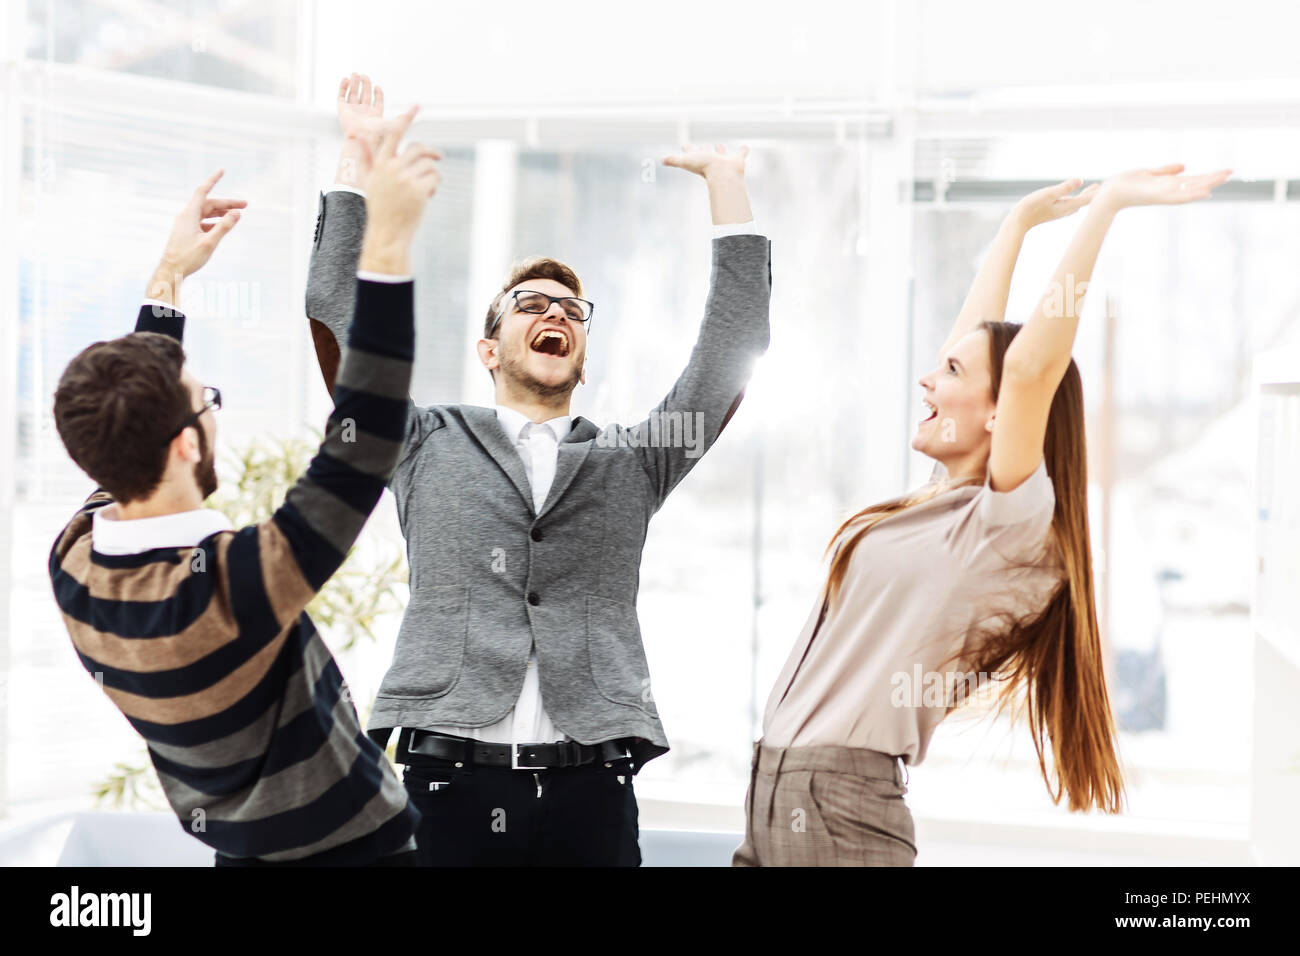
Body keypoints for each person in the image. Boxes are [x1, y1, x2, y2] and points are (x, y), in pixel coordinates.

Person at [304, 73, 772, 866]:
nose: (553, 313)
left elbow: (727, 360)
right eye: (529, 304)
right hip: (444, 788)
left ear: (581, 357)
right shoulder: (420, 439)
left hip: (591, 792)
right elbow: (334, 317)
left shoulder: (632, 462)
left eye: (569, 310)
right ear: (489, 351)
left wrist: (728, 193)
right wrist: (356, 167)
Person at [734, 163, 1231, 867]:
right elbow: (986, 351)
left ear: (1002, 414)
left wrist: (1108, 208)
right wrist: (1014, 229)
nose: (928, 381)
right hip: (776, 789)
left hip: (838, 804)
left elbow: (1028, 369)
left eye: (952, 377)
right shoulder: (946, 505)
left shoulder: (1009, 528)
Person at [48, 108, 442, 865]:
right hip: (351, 854)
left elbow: (134, 409)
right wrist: (388, 242)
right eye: (207, 398)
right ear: (188, 442)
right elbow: (367, 437)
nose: (213, 408)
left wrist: (171, 275)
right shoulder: (235, 589)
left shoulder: (77, 564)